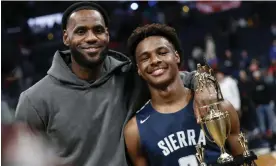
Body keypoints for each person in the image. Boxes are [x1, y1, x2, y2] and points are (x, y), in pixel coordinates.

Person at [15, 2, 196, 166]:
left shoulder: (128, 76)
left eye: (98, 30)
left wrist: (204, 85)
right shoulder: (34, 100)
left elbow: (183, 78)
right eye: (80, 31)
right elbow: (20, 160)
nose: (91, 37)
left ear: (107, 35)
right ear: (65, 37)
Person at [124, 23, 243, 166]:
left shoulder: (220, 109)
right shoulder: (134, 131)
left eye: (162, 52)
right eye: (145, 58)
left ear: (177, 56)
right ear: (138, 69)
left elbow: (244, 160)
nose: (155, 60)